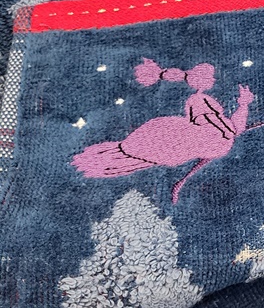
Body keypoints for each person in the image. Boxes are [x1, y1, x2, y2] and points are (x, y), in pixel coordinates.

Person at [72, 59, 254, 202]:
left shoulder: (206, 108)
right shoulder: (200, 102)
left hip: (203, 141)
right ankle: (104, 159)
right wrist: (242, 106)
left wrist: (243, 105)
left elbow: (231, 129)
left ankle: (105, 159)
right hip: (194, 140)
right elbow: (230, 129)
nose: (214, 80)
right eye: (210, 77)